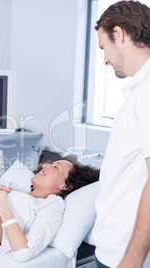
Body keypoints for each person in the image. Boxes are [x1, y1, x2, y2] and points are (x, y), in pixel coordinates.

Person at [90, 1, 150, 267]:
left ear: (120, 34)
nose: (104, 60)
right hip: (113, 250)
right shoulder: (138, 92)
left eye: (104, 47)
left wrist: (133, 259)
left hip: (124, 257)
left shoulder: (147, 94)